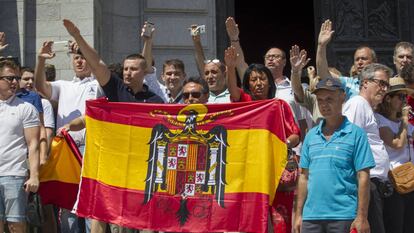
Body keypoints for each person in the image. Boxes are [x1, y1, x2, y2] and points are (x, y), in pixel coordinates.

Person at [225, 46, 300, 232]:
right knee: (251, 219)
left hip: (277, 169)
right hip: (249, 170)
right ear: (248, 85)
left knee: (281, 220)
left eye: (262, 78)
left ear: (269, 82)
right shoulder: (245, 104)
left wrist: (283, 144)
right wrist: (230, 67)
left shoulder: (280, 105)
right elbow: (233, 91)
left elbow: (295, 135)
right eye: (253, 79)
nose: (258, 83)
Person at [35, 39, 103, 233]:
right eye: (76, 58)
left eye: (83, 57)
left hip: (91, 148)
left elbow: (100, 69)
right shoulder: (63, 85)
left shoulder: (99, 84)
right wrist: (40, 60)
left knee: (90, 201)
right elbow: (40, 86)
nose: (80, 62)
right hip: (66, 149)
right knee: (68, 202)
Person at [294, 77, 374, 233]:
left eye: (329, 99)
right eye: (320, 100)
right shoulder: (311, 136)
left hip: (343, 216)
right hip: (311, 218)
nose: (324, 104)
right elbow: (304, 177)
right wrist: (299, 214)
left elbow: (363, 177)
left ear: (342, 97)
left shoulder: (356, 134)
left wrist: (362, 217)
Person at [342, 63, 393, 233]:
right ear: (364, 82)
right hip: (365, 184)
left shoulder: (366, 107)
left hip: (376, 185)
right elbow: (349, 144)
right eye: (381, 83)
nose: (384, 89)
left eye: (387, 85)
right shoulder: (357, 104)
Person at [0, 59, 41, 233]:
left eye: (17, 78)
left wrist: (34, 175)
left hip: (14, 174)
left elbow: (33, 144)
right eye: (10, 78)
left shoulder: (26, 108)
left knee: (16, 225)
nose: (15, 82)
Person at [375, 76, 414, 233]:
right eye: (400, 96)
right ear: (388, 99)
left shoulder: (406, 125)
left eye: (405, 97)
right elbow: (397, 144)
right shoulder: (380, 120)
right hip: (394, 182)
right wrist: (404, 120)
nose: (404, 101)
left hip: (410, 180)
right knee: (396, 226)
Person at [317, 19, 377, 99]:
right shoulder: (348, 83)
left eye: (364, 58)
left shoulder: (383, 84)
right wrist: (321, 46)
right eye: (357, 59)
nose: (359, 62)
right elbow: (323, 74)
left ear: (374, 62)